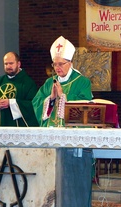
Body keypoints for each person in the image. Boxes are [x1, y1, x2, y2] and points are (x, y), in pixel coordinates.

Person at [32, 36, 93, 207]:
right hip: (51, 142)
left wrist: (63, 97)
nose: (57, 68)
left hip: (73, 144)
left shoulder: (82, 82)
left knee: (72, 183)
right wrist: (50, 99)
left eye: (61, 64)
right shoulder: (48, 83)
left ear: (70, 63)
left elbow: (85, 109)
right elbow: (36, 103)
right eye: (55, 64)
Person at [0, 52, 38, 127]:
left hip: (18, 128)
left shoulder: (28, 83)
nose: (8, 66)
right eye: (6, 64)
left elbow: (33, 104)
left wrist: (11, 103)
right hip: (0, 125)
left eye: (11, 63)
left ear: (18, 64)